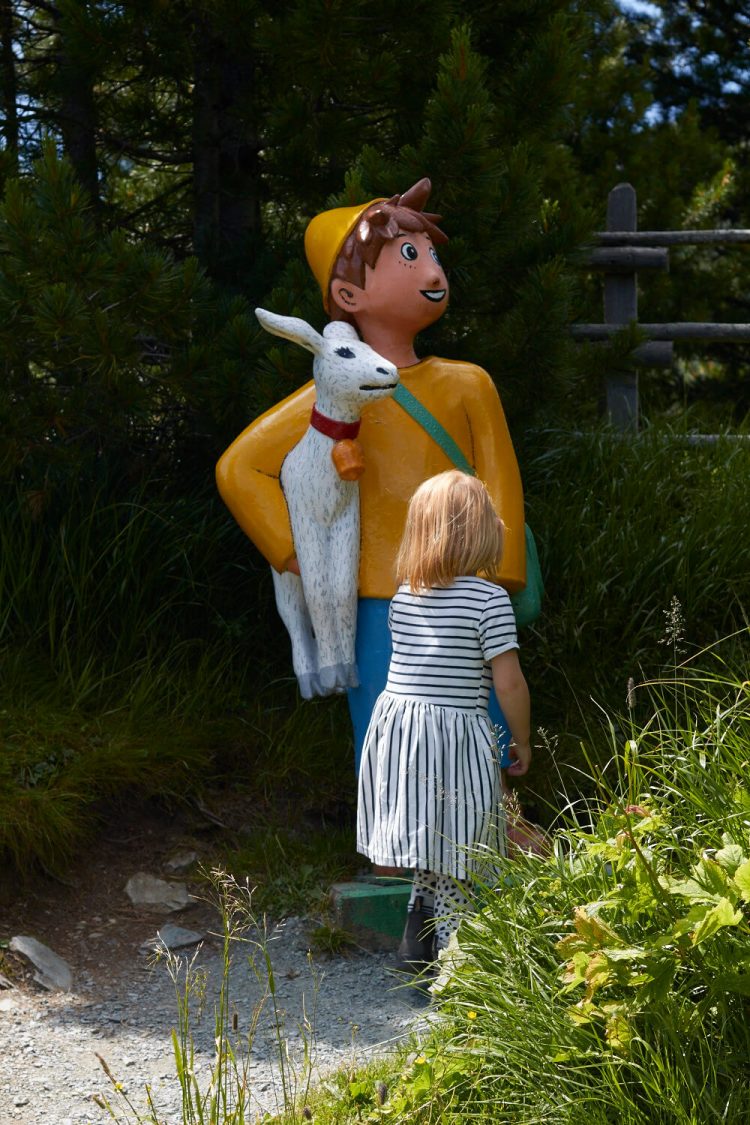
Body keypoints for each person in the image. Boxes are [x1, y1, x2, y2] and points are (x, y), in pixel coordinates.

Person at [215, 178, 527, 771]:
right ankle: (392, 853)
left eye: (432, 254)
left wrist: (497, 573)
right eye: (409, 256)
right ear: (348, 294)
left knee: (480, 717)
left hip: (464, 587)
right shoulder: (332, 393)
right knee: (385, 728)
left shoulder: (468, 383)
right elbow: (240, 468)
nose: (433, 271)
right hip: (376, 596)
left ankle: (493, 829)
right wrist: (297, 552)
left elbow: (500, 480)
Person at [356, 470, 532, 965]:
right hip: (454, 737)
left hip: (402, 735)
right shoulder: (488, 599)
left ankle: (417, 949)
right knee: (465, 850)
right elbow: (509, 683)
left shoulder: (406, 594)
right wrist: (522, 740)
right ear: (481, 531)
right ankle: (460, 969)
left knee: (434, 848)